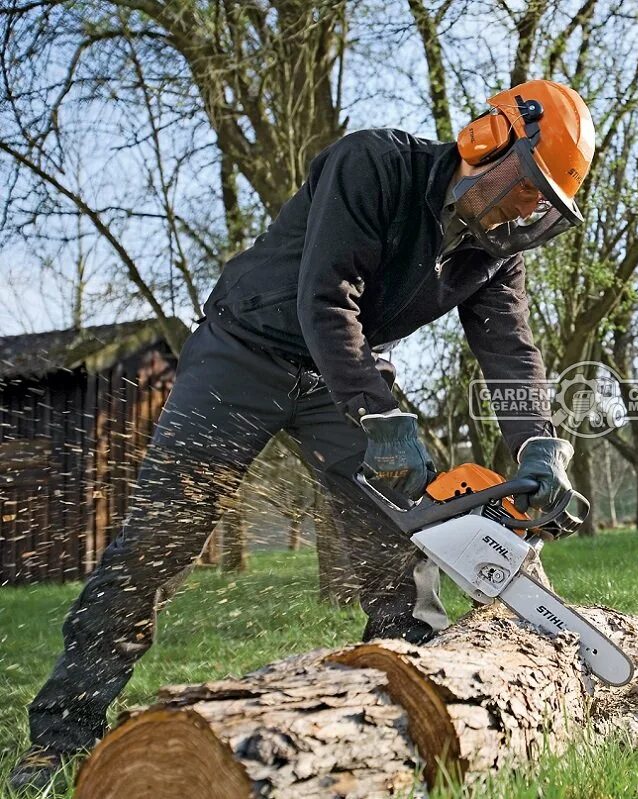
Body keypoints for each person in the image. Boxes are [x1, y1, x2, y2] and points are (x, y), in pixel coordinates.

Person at [8, 79, 594, 792]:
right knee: (159, 537)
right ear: (488, 139)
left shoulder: (494, 248)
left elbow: (511, 350)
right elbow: (327, 297)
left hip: (339, 380)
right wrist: (380, 414)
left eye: (543, 205)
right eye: (528, 186)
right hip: (244, 351)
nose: (527, 208)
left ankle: (413, 707)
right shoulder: (373, 164)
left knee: (402, 535)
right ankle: (60, 736)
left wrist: (539, 443)